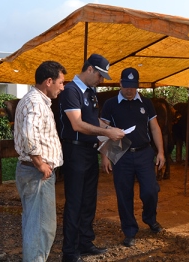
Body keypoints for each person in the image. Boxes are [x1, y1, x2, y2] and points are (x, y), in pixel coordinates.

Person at [58, 53, 125, 262]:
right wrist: (107, 133)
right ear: (89, 69)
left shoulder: (91, 92)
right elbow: (77, 124)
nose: (101, 80)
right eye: (100, 75)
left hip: (89, 150)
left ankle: (85, 242)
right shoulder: (71, 91)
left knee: (89, 200)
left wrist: (110, 128)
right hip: (75, 151)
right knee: (75, 202)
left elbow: (93, 120)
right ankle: (70, 251)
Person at [101, 67, 166, 247]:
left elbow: (154, 128)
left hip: (144, 152)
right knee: (124, 194)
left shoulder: (146, 103)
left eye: (133, 87)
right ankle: (129, 230)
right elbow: (103, 130)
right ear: (120, 83)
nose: (130, 90)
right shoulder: (110, 104)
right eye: (126, 86)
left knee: (150, 190)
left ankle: (150, 218)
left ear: (138, 85)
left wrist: (160, 151)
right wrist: (105, 156)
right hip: (119, 152)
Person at [14, 61, 66, 261]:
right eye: (60, 83)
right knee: (42, 227)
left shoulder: (34, 100)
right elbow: (29, 135)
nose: (62, 87)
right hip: (36, 173)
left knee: (34, 223)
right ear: (49, 81)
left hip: (31, 171)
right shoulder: (36, 102)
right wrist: (40, 163)